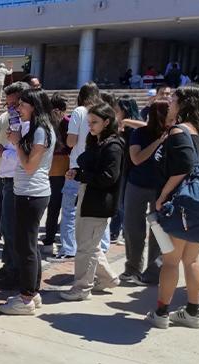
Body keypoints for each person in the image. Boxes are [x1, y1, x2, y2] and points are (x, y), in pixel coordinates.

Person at [146, 84, 199, 329]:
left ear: (184, 103)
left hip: (180, 205)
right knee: (192, 260)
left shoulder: (179, 131)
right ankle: (192, 312)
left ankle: (161, 313)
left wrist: (162, 197)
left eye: (174, 99)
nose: (170, 102)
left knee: (170, 261)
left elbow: (183, 168)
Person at [0, 88, 56, 315]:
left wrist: (17, 142)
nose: (17, 109)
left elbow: (30, 165)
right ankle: (32, 291)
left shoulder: (41, 130)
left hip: (32, 193)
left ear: (34, 106)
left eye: (21, 105)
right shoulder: (37, 128)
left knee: (27, 246)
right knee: (29, 245)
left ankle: (25, 299)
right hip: (28, 192)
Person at [60, 103, 123, 301]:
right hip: (89, 197)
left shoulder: (112, 145)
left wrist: (82, 175)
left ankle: (82, 287)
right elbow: (93, 169)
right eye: (89, 122)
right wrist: (79, 173)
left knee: (86, 247)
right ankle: (107, 278)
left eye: (94, 122)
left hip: (98, 203)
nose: (91, 126)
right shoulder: (98, 142)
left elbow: (108, 177)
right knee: (89, 245)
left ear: (107, 122)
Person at [120, 100, 171, 286]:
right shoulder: (140, 133)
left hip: (162, 189)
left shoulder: (174, 135)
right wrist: (159, 141)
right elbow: (137, 158)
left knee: (159, 231)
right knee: (133, 228)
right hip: (137, 185)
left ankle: (153, 272)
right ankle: (132, 268)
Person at [49, 82, 101, 263]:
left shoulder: (80, 111)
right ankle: (100, 247)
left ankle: (69, 247)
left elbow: (71, 142)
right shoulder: (103, 110)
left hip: (77, 165)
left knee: (70, 209)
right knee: (96, 210)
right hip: (98, 166)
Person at [0, 82, 30, 288]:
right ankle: (9, 266)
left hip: (19, 180)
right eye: (8, 105)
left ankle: (15, 273)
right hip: (7, 178)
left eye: (16, 105)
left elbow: (24, 155)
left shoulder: (31, 125)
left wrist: (3, 151)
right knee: (6, 226)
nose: (12, 109)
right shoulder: (13, 121)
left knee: (12, 228)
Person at [108, 95, 142, 243]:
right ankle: (114, 231)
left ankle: (121, 231)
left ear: (125, 110)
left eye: (117, 109)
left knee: (123, 203)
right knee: (119, 202)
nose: (115, 112)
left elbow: (148, 126)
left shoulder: (134, 127)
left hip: (131, 169)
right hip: (121, 167)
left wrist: (126, 122)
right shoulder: (119, 126)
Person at [42, 93, 71, 254]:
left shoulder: (44, 121)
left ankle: (48, 239)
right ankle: (53, 238)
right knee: (58, 205)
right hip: (62, 166)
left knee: (51, 206)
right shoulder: (66, 122)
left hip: (46, 165)